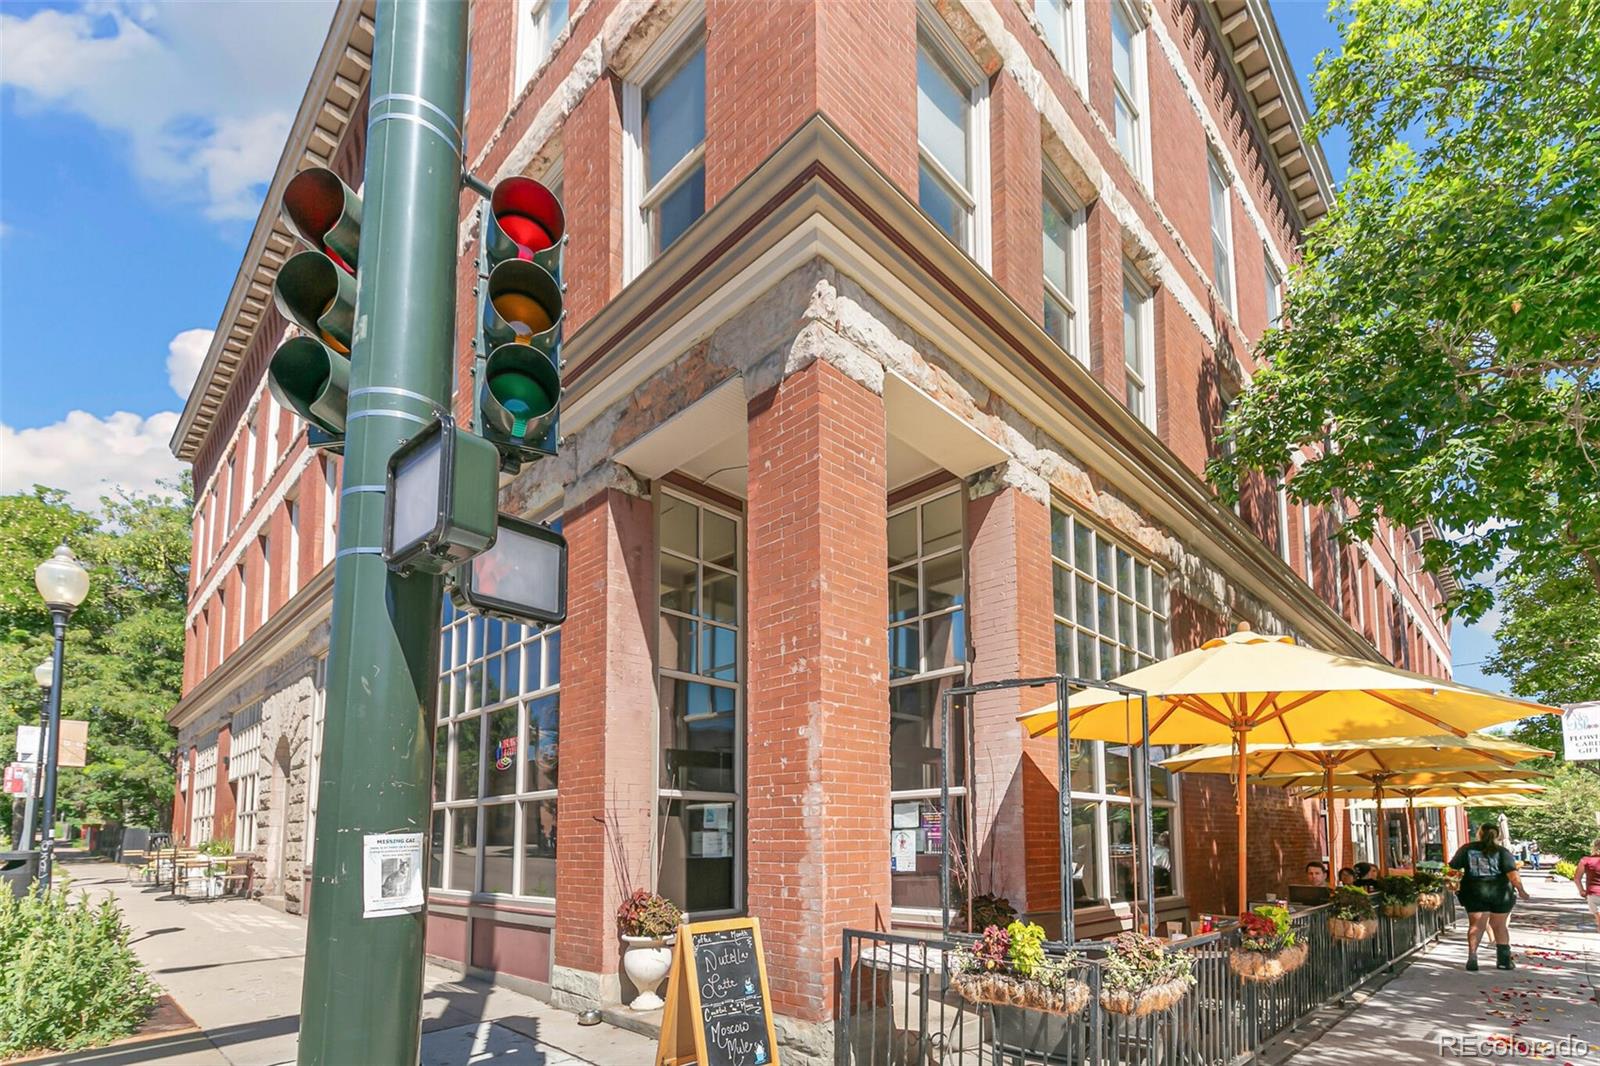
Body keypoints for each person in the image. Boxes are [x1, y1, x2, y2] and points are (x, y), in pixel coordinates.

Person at [1449, 823, 1532, 971]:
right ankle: (1504, 961)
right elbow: (1512, 874)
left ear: (1479, 833)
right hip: (1500, 894)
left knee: (1475, 926)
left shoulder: (1467, 849)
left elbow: (1452, 869)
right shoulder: (1502, 852)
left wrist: (1453, 882)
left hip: (1474, 892)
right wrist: (1521, 890)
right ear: (1497, 835)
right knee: (1499, 926)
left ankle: (1472, 958)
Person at [1574, 837, 1600, 934]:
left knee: (1598, 918)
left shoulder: (1585, 860)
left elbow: (1577, 878)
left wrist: (1581, 890)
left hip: (1593, 894)